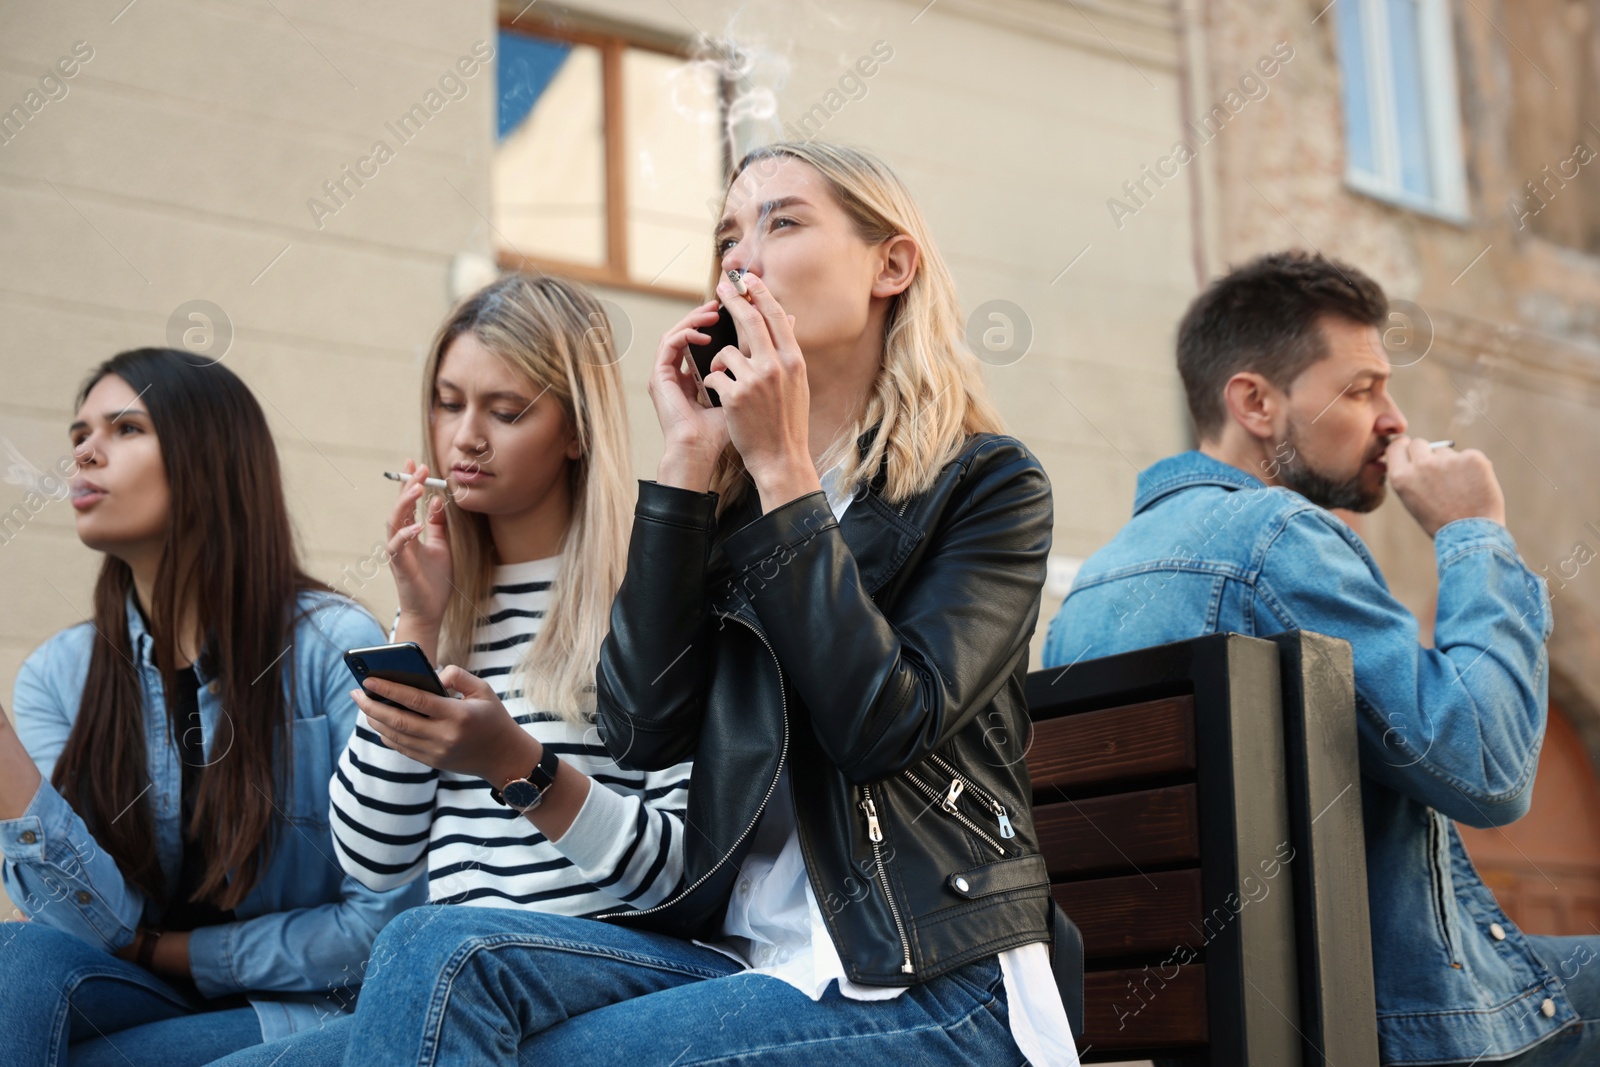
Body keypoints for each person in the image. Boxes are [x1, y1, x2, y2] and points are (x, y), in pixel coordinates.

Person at [323, 141, 1079, 1066]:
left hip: (930, 978)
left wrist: (782, 469)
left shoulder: (985, 484)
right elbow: (642, 726)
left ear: (892, 265)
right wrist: (687, 463)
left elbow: (881, 723)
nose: (741, 257)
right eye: (727, 234)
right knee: (434, 946)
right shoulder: (728, 504)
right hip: (746, 963)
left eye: (782, 221)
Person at [1044, 251, 1594, 1065]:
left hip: (1225, 1031)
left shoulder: (1090, 587)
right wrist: (1473, 532)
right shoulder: (1278, 537)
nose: (1394, 420)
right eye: (1363, 388)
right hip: (1383, 1023)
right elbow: (1487, 767)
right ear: (1256, 402)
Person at [212, 274, 692, 1067]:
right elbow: (373, 856)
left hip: (616, 963)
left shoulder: (653, 595)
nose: (466, 436)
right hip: (451, 976)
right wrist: (421, 621)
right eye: (447, 402)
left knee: (438, 941)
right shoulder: (442, 607)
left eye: (505, 412)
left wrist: (518, 766)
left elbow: (675, 872)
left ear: (576, 431)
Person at [0, 349, 423, 1067]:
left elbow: (382, 921)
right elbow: (76, 926)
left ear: (210, 459)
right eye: (78, 435)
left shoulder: (330, 646)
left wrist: (172, 951)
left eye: (125, 428)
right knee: (20, 954)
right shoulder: (59, 676)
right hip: (137, 985)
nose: (84, 452)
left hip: (304, 1006)